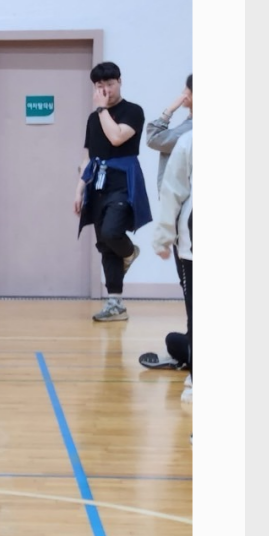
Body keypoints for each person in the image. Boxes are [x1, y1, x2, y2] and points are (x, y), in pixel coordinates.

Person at [73, 61, 152, 322]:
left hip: (123, 181)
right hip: (98, 183)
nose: (105, 89)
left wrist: (102, 109)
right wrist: (79, 189)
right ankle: (115, 304)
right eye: (99, 85)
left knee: (111, 232)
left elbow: (117, 137)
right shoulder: (92, 119)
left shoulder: (133, 111)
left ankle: (129, 252)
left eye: (110, 83)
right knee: (105, 245)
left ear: (120, 82)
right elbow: (88, 157)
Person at [140, 75, 193, 370]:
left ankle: (191, 354)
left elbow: (153, 138)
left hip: (187, 229)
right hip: (186, 225)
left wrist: (169, 109)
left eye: (187, 90)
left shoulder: (189, 135)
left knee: (190, 292)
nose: (183, 94)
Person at [152, 130, 192, 403]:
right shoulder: (189, 140)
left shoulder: (189, 140)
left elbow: (172, 191)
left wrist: (163, 238)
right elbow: (173, 191)